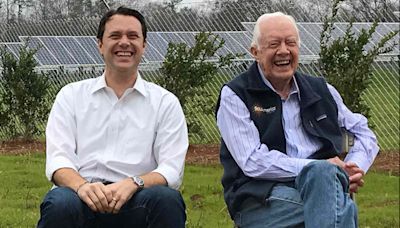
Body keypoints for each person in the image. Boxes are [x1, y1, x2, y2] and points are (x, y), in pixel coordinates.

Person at [216, 12, 379, 228]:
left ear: (298, 49)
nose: (283, 51)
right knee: (339, 206)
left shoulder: (322, 90)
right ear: (255, 52)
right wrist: (319, 167)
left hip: (323, 185)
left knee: (327, 187)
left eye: (290, 43)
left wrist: (352, 167)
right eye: (274, 44)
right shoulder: (235, 95)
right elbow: (252, 161)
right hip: (260, 198)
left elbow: (363, 132)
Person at [37, 7, 188, 228]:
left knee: (166, 200)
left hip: (137, 197)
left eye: (133, 36)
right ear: (100, 44)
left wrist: (134, 183)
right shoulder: (70, 96)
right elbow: (59, 160)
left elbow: (171, 168)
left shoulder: (165, 102)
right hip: (82, 196)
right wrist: (82, 187)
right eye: (115, 36)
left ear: (144, 45)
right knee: (60, 202)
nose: (124, 43)